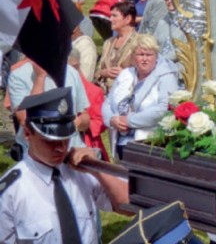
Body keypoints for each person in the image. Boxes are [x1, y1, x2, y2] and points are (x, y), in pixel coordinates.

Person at [0, 87, 128, 243]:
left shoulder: (80, 170)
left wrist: (97, 170)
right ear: (27, 134)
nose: (60, 147)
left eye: (65, 138)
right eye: (50, 141)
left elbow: (127, 207)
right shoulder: (12, 191)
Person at [102, 34, 178, 160]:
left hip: (150, 145)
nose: (144, 59)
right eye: (140, 55)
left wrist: (129, 121)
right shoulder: (126, 75)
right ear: (133, 57)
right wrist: (111, 120)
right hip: (121, 143)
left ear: (156, 56)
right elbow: (108, 102)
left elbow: (164, 108)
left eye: (149, 55)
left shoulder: (166, 77)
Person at [8, 56, 91, 159]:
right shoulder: (18, 75)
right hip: (39, 156)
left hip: (72, 152)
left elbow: (85, 117)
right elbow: (24, 119)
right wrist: (40, 78)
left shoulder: (71, 72)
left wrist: (75, 123)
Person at [68, 48, 110, 161]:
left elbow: (101, 121)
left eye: (74, 67)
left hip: (87, 143)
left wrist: (82, 123)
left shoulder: (93, 91)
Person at [94, 1, 139, 93]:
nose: (110, 19)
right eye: (110, 16)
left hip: (129, 92)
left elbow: (146, 70)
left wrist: (125, 73)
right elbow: (98, 70)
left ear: (128, 19)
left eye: (114, 16)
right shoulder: (108, 43)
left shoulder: (140, 42)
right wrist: (104, 72)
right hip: (105, 94)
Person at [154, 0, 186, 66]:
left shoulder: (188, 20)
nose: (169, 1)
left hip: (181, 69)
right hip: (160, 67)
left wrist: (161, 60)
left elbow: (184, 48)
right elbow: (153, 43)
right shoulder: (162, 20)